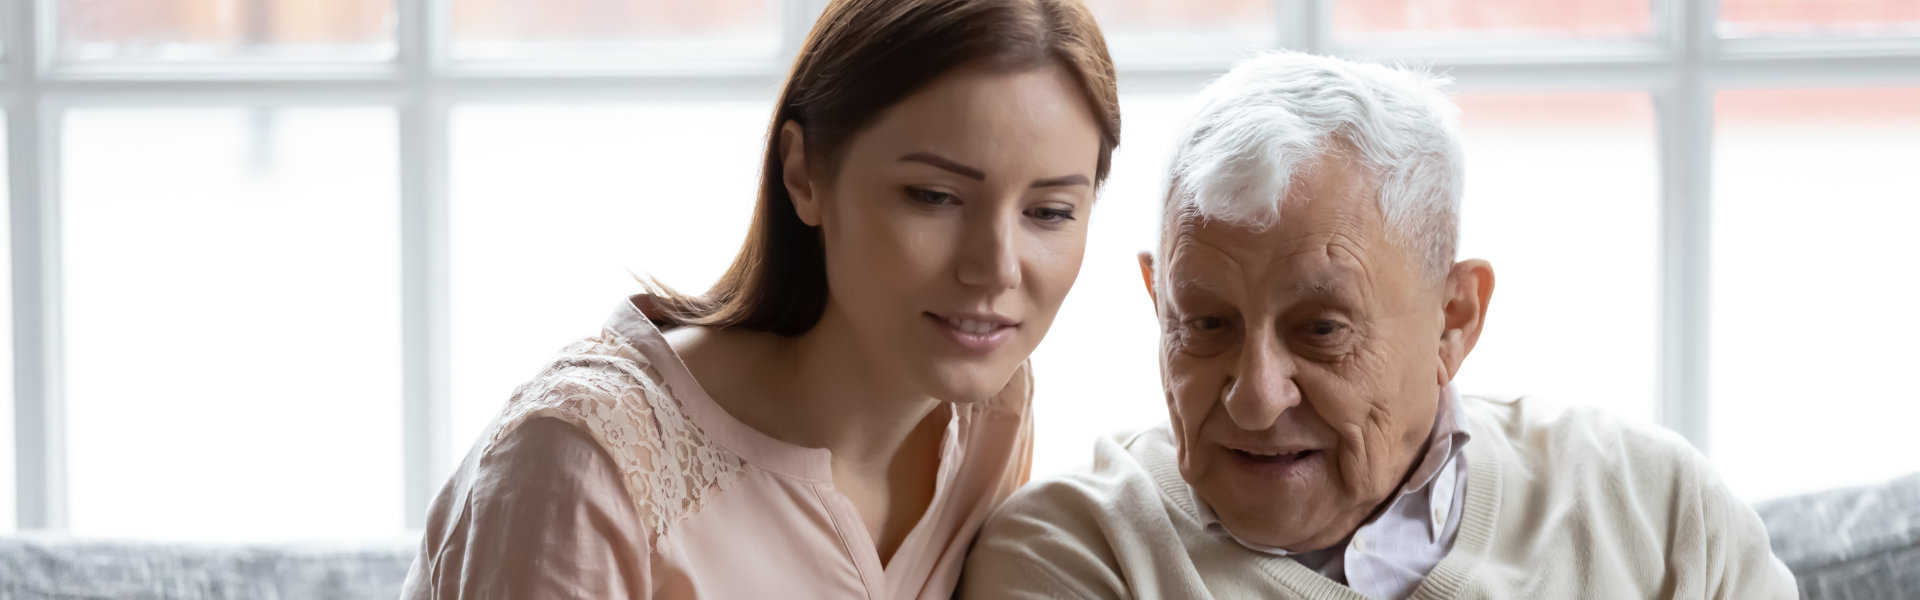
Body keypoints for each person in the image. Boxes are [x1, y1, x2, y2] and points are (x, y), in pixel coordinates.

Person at [959, 51, 1795, 599]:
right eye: (1204, 322)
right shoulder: (1072, 556)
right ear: (1156, 297)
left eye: (1321, 330)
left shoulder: (1655, 507)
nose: (1254, 398)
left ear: (1454, 319)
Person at [400, 0, 1119, 597]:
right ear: (804, 174)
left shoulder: (989, 410)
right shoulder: (577, 468)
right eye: (933, 196)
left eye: (1050, 212)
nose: (995, 270)